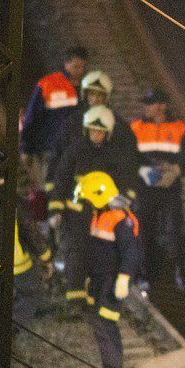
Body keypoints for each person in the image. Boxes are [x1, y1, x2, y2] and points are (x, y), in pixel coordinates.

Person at [52, 105, 139, 313]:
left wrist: (124, 201)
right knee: (76, 254)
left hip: (105, 216)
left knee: (101, 255)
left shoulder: (116, 155)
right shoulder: (74, 151)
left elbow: (128, 181)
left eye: (100, 132)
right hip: (77, 214)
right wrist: (55, 210)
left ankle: (97, 298)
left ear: (107, 133)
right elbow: (61, 180)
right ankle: (75, 302)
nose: (96, 135)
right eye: (92, 130)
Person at [0, 151, 53, 343]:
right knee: (33, 294)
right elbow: (31, 233)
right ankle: (10, 331)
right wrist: (45, 257)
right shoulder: (15, 200)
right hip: (17, 267)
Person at [76, 171, 142, 368]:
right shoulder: (101, 213)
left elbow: (131, 252)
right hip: (99, 280)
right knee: (103, 325)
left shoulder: (121, 220)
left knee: (105, 325)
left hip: (111, 281)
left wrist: (123, 278)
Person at [130, 88, 185, 286]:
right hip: (145, 188)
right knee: (143, 230)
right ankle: (144, 273)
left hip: (169, 188)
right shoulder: (135, 128)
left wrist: (177, 169)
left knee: (175, 230)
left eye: (150, 104)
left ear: (162, 106)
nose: (146, 108)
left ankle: (181, 273)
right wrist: (140, 171)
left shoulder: (180, 129)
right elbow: (128, 155)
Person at [19, 46, 88, 193]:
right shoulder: (48, 85)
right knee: (52, 190)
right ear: (66, 64)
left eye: (83, 67)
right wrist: (26, 149)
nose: (80, 71)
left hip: (79, 150)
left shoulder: (88, 87)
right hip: (50, 150)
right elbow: (31, 119)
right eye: (76, 66)